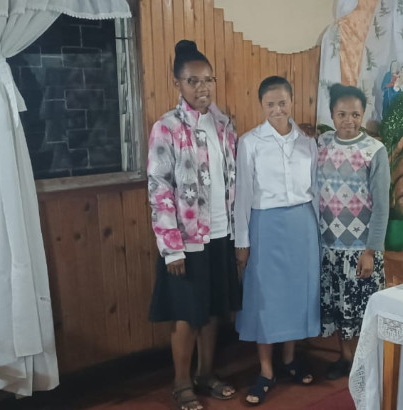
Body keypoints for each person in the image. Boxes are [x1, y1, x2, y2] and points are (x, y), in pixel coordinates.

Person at [147, 40, 241, 410]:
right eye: (193, 81)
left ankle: (205, 373)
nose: (202, 87)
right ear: (178, 84)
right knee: (187, 314)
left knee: (214, 310)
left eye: (208, 80)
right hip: (186, 241)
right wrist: (171, 248)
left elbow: (233, 180)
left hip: (220, 233)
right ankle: (181, 383)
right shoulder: (167, 128)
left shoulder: (224, 125)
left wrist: (237, 235)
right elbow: (159, 189)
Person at [234, 76, 320, 405]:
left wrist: (319, 233)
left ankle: (290, 359)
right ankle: (266, 370)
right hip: (265, 225)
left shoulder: (307, 141)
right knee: (265, 298)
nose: (277, 109)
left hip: (302, 225)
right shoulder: (250, 143)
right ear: (261, 105)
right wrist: (242, 241)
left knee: (296, 295)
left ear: (292, 101)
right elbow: (243, 195)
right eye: (270, 104)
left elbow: (315, 188)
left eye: (282, 103)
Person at [317, 84, 390, 379]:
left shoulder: (375, 150)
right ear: (332, 115)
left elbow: (382, 206)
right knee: (337, 306)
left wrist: (371, 250)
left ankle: (364, 364)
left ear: (363, 115)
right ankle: (345, 358)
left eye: (355, 115)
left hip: (360, 249)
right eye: (342, 114)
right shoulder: (322, 144)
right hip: (328, 245)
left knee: (361, 309)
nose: (349, 120)